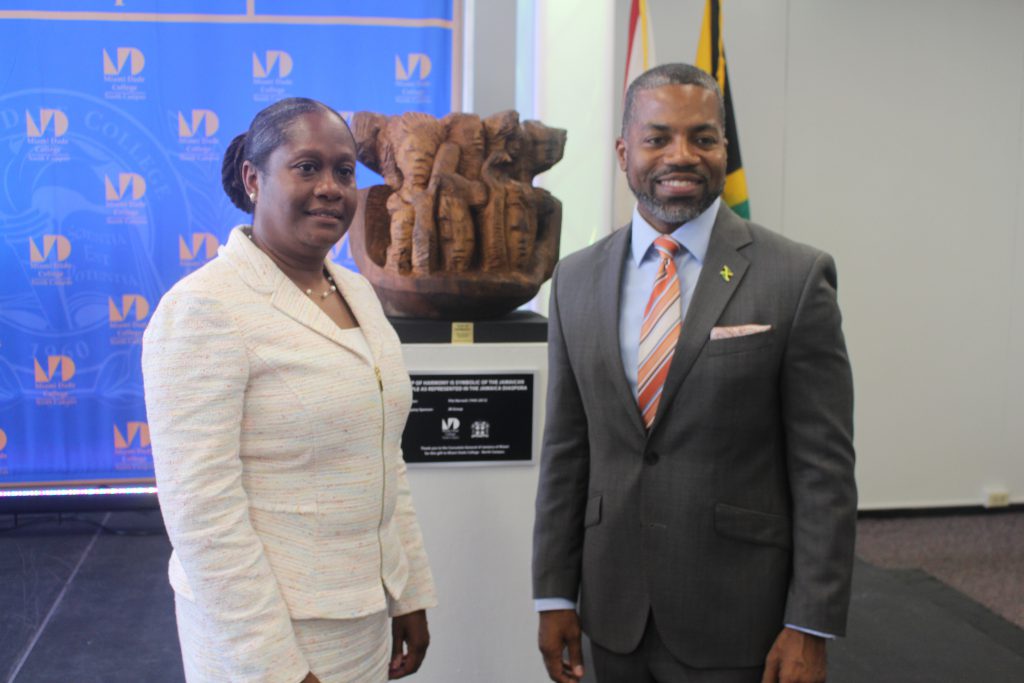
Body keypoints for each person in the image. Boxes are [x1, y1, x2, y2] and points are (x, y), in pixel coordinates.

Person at [532, 63, 856, 683]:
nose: (681, 155)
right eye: (658, 138)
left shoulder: (796, 276)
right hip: (613, 612)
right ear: (625, 152)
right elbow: (567, 450)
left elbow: (824, 469)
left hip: (740, 618)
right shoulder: (573, 280)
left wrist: (811, 622)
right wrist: (554, 594)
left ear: (723, 150)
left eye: (702, 138)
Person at [142, 97, 437, 683]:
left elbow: (383, 455)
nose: (331, 187)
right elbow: (202, 516)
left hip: (363, 615)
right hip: (266, 633)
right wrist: (272, 665)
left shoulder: (357, 292)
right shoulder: (204, 308)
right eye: (307, 167)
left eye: (345, 171)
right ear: (254, 179)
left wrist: (409, 590)